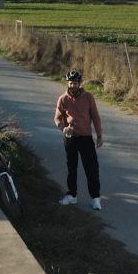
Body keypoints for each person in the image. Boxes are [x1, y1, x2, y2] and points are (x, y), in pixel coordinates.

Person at [54, 70, 105, 210]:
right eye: (70, 83)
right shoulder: (63, 99)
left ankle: (95, 198)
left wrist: (99, 135)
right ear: (67, 83)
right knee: (72, 168)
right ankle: (72, 196)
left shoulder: (88, 97)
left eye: (75, 83)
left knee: (92, 169)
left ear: (79, 84)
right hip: (70, 139)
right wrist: (63, 128)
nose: (72, 86)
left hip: (86, 138)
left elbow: (95, 117)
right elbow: (57, 118)